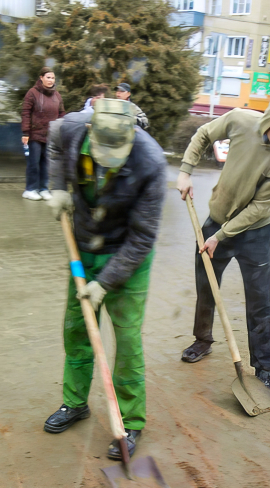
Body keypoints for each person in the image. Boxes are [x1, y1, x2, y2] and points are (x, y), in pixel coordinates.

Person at [44, 99, 166, 460]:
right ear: (90, 131)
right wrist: (58, 187)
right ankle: (75, 402)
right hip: (82, 245)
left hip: (127, 253)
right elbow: (52, 143)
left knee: (126, 340)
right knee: (77, 328)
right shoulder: (70, 128)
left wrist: (105, 283)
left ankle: (130, 422)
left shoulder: (151, 162)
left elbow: (143, 238)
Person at [175, 88, 270, 397]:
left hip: (255, 231)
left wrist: (220, 237)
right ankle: (203, 340)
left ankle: (264, 368)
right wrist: (185, 172)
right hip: (217, 218)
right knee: (206, 285)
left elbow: (259, 208)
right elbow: (204, 134)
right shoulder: (240, 121)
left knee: (259, 299)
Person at [21, 67, 65, 201]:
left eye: (53, 78)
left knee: (46, 164)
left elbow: (62, 113)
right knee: (34, 163)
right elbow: (26, 113)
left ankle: (44, 189)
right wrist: (25, 132)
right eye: (48, 77)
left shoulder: (57, 95)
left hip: (50, 136)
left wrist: (60, 130)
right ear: (41, 77)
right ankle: (30, 189)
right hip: (34, 135)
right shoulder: (32, 93)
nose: (51, 80)